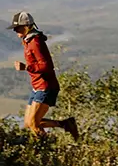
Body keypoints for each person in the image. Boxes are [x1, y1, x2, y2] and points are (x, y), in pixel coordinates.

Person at [8, 11, 79, 140]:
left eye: (17, 28)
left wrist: (26, 67)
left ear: (27, 26)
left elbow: (46, 66)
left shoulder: (35, 42)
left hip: (45, 86)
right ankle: (65, 124)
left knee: (33, 123)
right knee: (28, 123)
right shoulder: (28, 41)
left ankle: (47, 150)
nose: (15, 31)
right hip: (38, 86)